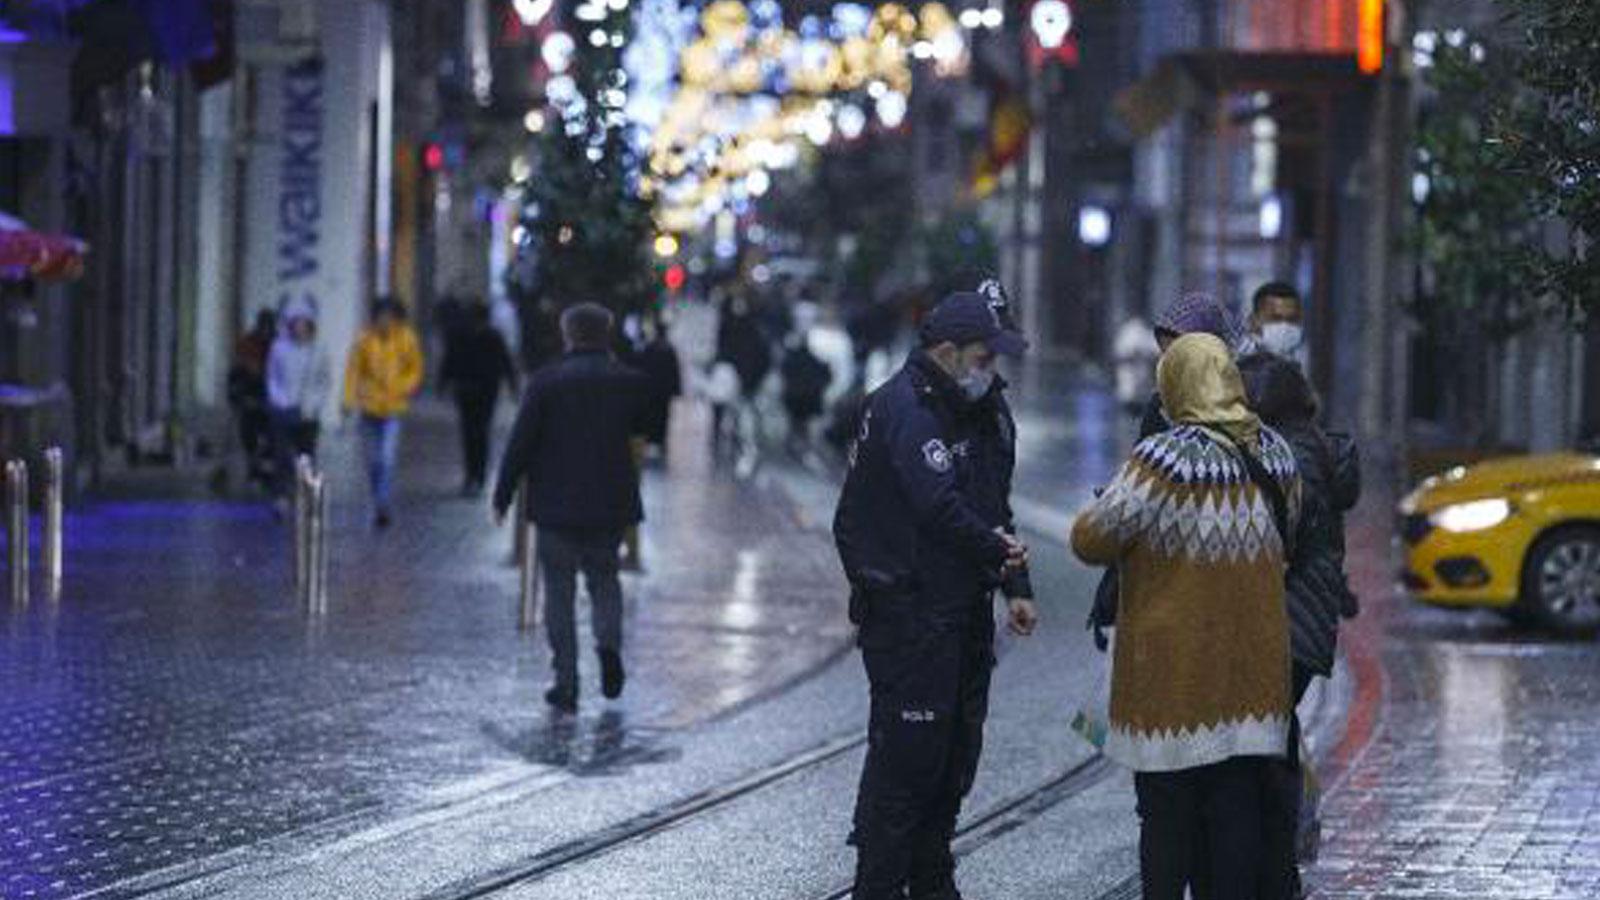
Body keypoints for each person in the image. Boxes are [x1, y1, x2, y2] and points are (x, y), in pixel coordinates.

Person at [1070, 333, 1300, 900]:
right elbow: (1290, 535)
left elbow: (1090, 539)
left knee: (1167, 819)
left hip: (1172, 682)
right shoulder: (1277, 452)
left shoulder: (1166, 458)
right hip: (1255, 674)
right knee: (1237, 814)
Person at [832, 290, 1038, 900]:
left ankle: (930, 880)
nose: (991, 370)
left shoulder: (979, 410)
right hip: (909, 614)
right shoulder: (906, 407)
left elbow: (993, 505)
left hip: (961, 613)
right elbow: (940, 506)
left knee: (951, 762)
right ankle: (879, 885)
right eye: (982, 357)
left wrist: (1014, 585)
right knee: (907, 765)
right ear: (946, 353)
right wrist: (1000, 555)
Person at [1237, 352, 1361, 899]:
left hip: (1288, 623)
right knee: (1272, 743)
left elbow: (1276, 542)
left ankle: (1275, 876)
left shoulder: (1289, 454)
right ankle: (1274, 874)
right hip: (1302, 625)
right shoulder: (1305, 444)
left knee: (1267, 753)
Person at [492, 303, 649, 715]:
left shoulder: (546, 382)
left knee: (558, 594)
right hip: (609, 506)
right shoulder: (626, 382)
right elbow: (648, 427)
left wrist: (503, 494)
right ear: (606, 333)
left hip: (556, 506)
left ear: (568, 334)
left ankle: (567, 682)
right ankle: (609, 646)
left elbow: (520, 443)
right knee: (605, 581)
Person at [343, 298, 425, 529]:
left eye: (389, 316)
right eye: (381, 316)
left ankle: (382, 503)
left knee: (387, 458)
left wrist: (402, 387)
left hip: (393, 408)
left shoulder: (407, 339)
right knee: (373, 460)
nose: (385, 321)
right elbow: (353, 371)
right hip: (369, 407)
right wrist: (349, 400)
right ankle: (378, 495)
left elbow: (415, 369)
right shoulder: (364, 340)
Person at [440, 302, 519, 496]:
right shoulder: (464, 336)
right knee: (472, 433)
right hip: (473, 390)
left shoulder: (489, 336)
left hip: (482, 391)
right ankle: (473, 476)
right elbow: (449, 360)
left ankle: (477, 476)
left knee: (477, 433)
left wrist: (512, 385)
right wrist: (512, 386)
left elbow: (506, 362)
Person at [265, 306, 331, 511]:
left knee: (306, 456)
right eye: (296, 323)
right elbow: (272, 377)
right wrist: (280, 401)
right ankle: (281, 495)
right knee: (282, 454)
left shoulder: (319, 350)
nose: (300, 328)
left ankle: (305, 495)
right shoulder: (279, 348)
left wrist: (315, 404)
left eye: (304, 323)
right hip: (283, 411)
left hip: (308, 413)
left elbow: (324, 381)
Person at [228, 309, 278, 489]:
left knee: (270, 438)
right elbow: (236, 372)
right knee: (250, 437)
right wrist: (236, 397)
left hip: (271, 399)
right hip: (250, 397)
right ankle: (256, 470)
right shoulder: (247, 344)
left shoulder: (278, 344)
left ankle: (264, 471)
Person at [631, 316, 682, 463]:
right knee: (662, 417)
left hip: (651, 391)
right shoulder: (667, 349)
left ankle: (653, 442)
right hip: (663, 392)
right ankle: (658, 443)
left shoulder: (649, 348)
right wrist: (676, 390)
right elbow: (674, 373)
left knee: (652, 417)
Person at [780, 330, 832, 458]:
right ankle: (802, 448)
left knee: (796, 423)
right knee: (802, 425)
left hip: (795, 399)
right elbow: (828, 376)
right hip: (808, 400)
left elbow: (784, 373)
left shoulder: (791, 358)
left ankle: (796, 447)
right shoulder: (815, 360)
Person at [1245, 281, 1308, 368]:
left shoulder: (1306, 366)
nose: (1285, 327)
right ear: (1253, 322)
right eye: (1275, 319)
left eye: (1291, 319)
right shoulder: (1237, 370)